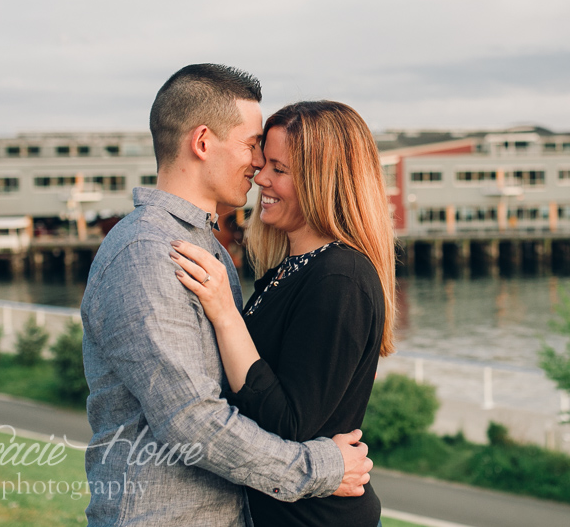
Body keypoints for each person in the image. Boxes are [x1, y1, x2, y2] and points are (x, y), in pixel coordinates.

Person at [81, 65, 373, 527]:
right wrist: (320, 469)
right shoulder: (147, 251)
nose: (258, 164)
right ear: (202, 143)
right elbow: (190, 420)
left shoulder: (208, 247)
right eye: (252, 144)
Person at [170, 100, 396, 527]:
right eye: (262, 163)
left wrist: (225, 314)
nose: (260, 177)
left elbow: (289, 424)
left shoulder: (339, 278)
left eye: (279, 168)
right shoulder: (289, 271)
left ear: (321, 182)